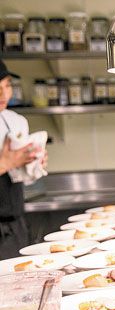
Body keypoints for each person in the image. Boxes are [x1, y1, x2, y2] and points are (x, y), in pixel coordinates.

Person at [0, 59, 47, 258]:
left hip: (15, 222)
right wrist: (6, 163)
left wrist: (34, 163)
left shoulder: (15, 121)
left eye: (7, 85)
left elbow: (22, 175)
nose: (3, 94)